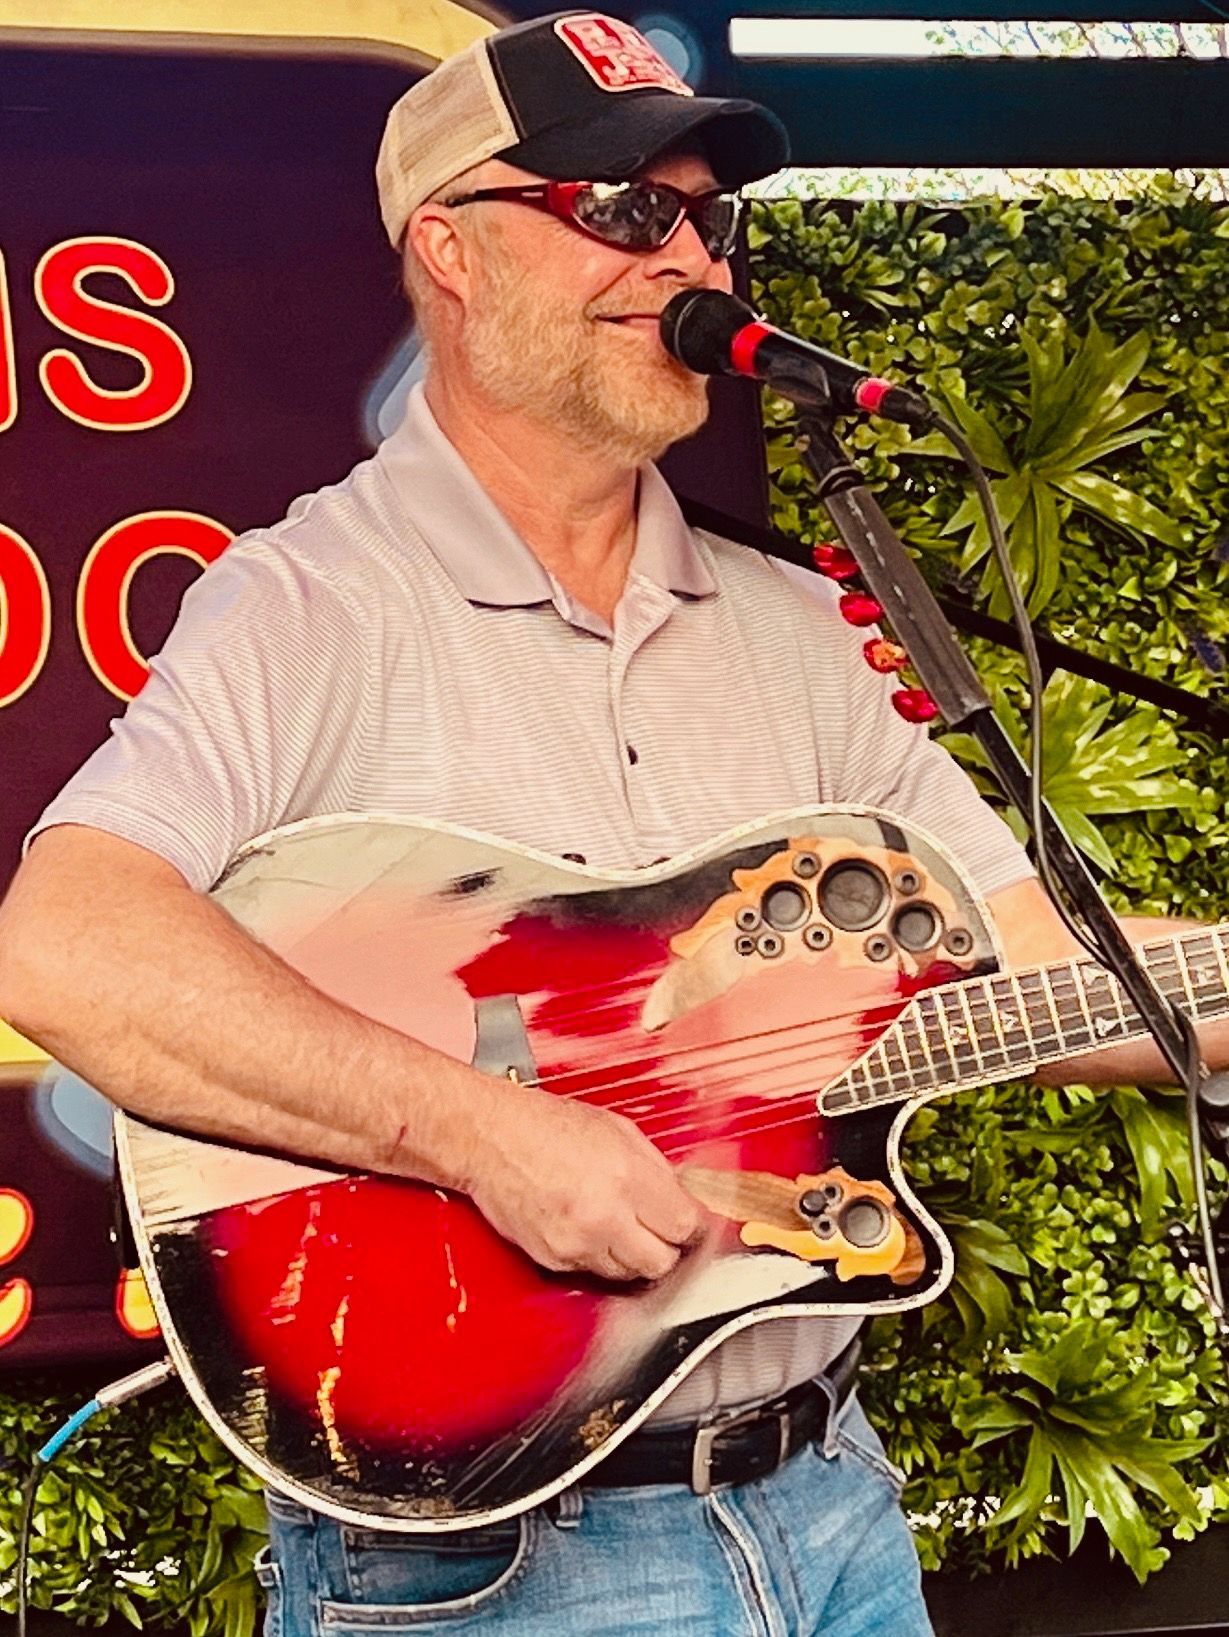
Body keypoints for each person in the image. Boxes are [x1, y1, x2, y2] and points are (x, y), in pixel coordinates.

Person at [1, 10, 1225, 1635]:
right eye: (619, 211)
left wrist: (1198, 994)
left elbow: (1011, 943)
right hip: (483, 1565)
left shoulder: (799, 624)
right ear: (451, 249)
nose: (686, 259)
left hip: (832, 1508)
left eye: (706, 215)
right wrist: (484, 1131)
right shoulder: (312, 602)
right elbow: (68, 942)